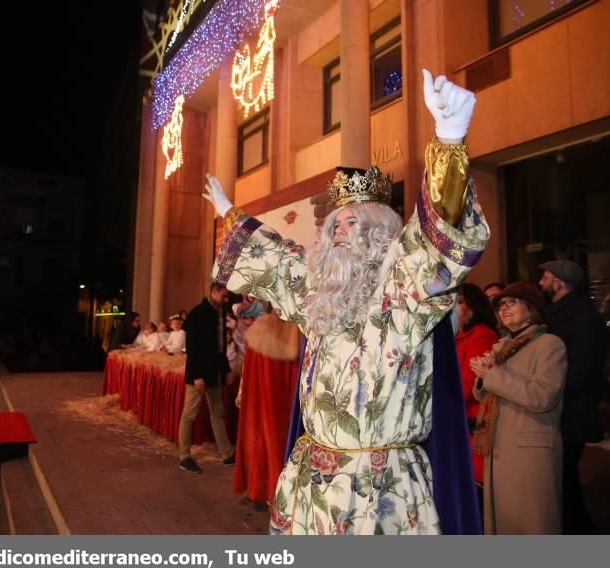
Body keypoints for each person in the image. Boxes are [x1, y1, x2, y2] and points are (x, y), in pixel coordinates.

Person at [202, 70, 489, 534]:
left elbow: (434, 247)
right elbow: (278, 259)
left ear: (378, 231)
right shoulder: (320, 294)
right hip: (311, 484)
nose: (338, 230)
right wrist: (230, 215)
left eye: (351, 221)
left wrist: (450, 141)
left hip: (381, 492)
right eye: (334, 223)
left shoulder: (401, 293)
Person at [471, 282, 567, 534]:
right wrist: (482, 377)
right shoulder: (500, 347)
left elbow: (541, 397)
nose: (504, 308)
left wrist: (492, 375)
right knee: (504, 525)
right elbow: (489, 397)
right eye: (501, 305)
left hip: (530, 452)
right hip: (499, 447)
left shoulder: (549, 344)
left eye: (511, 302)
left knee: (532, 525)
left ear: (531, 308)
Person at [538, 259, 608, 533]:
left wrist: (546, 395)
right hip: (562, 412)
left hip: (569, 416)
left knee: (565, 485)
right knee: (562, 485)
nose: (541, 283)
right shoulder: (562, 314)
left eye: (546, 277)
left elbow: (580, 372)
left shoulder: (584, 319)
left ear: (560, 283)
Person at [233, 307, 302, 508]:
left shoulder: (258, 330)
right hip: (286, 405)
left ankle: (258, 490)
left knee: (258, 442)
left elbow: (247, 369)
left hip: (258, 399)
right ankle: (277, 492)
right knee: (280, 445)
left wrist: (241, 393)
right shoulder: (297, 333)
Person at [178, 283, 235, 474]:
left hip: (215, 372)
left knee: (217, 413)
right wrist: (196, 375)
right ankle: (184, 456)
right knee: (189, 414)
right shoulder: (197, 313)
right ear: (215, 292)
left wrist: (226, 369)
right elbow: (192, 348)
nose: (226, 300)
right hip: (199, 374)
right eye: (224, 296)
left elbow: (221, 346)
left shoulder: (219, 313)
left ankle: (227, 454)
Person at [453, 283, 499, 497]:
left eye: (460, 303)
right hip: (460, 421)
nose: (453, 307)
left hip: (472, 422)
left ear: (473, 308)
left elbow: (470, 383)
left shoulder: (481, 335)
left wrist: (441, 407)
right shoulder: (459, 335)